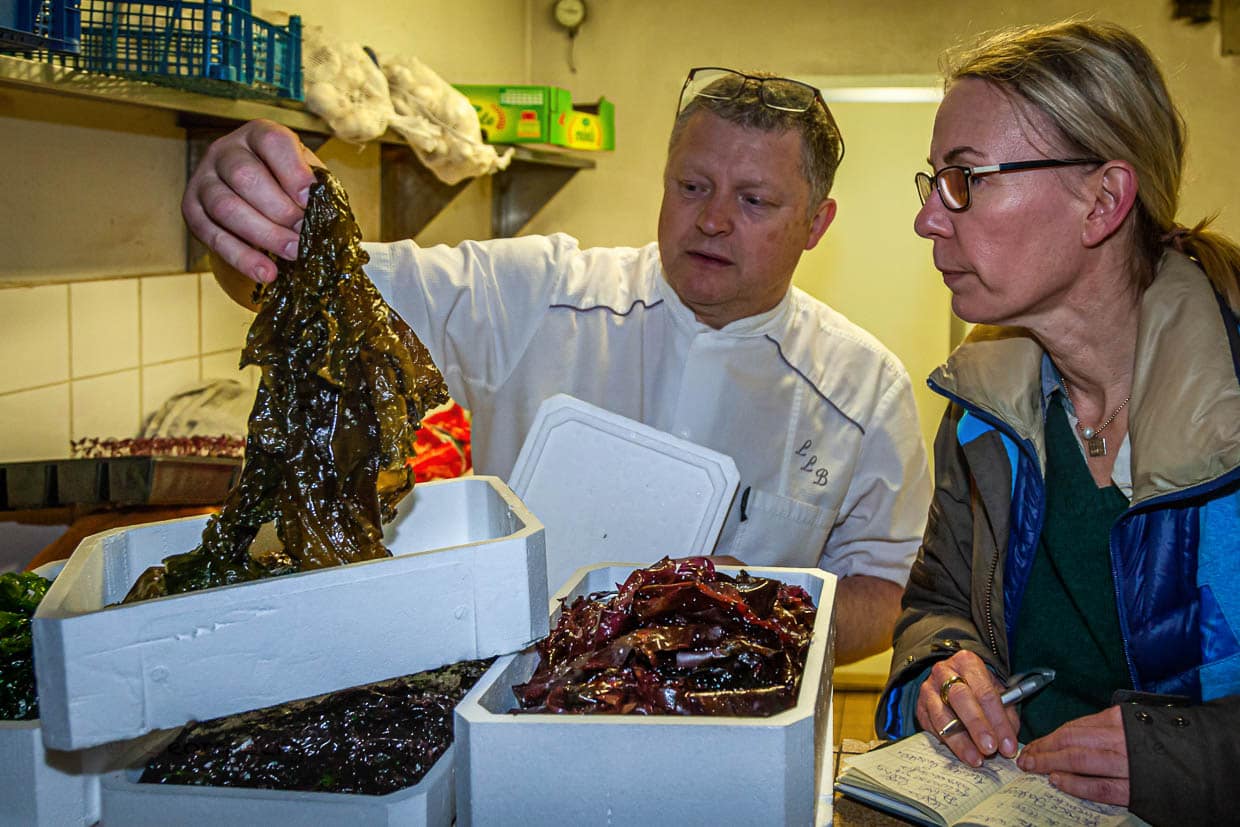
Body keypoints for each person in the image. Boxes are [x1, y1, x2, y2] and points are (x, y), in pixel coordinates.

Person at [182, 68, 932, 664]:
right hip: (516, 701)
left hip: (742, 730)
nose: (711, 220)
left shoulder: (863, 388)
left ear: (815, 224)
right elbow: (311, 283)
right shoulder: (539, 292)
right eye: (692, 186)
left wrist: (748, 624)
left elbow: (888, 590)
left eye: (756, 199)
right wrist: (252, 204)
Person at [876, 20, 1240, 825]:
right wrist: (940, 667)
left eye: (966, 179)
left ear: (1104, 200)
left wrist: (1196, 759)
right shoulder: (982, 409)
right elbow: (936, 599)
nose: (929, 219)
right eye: (931, 181)